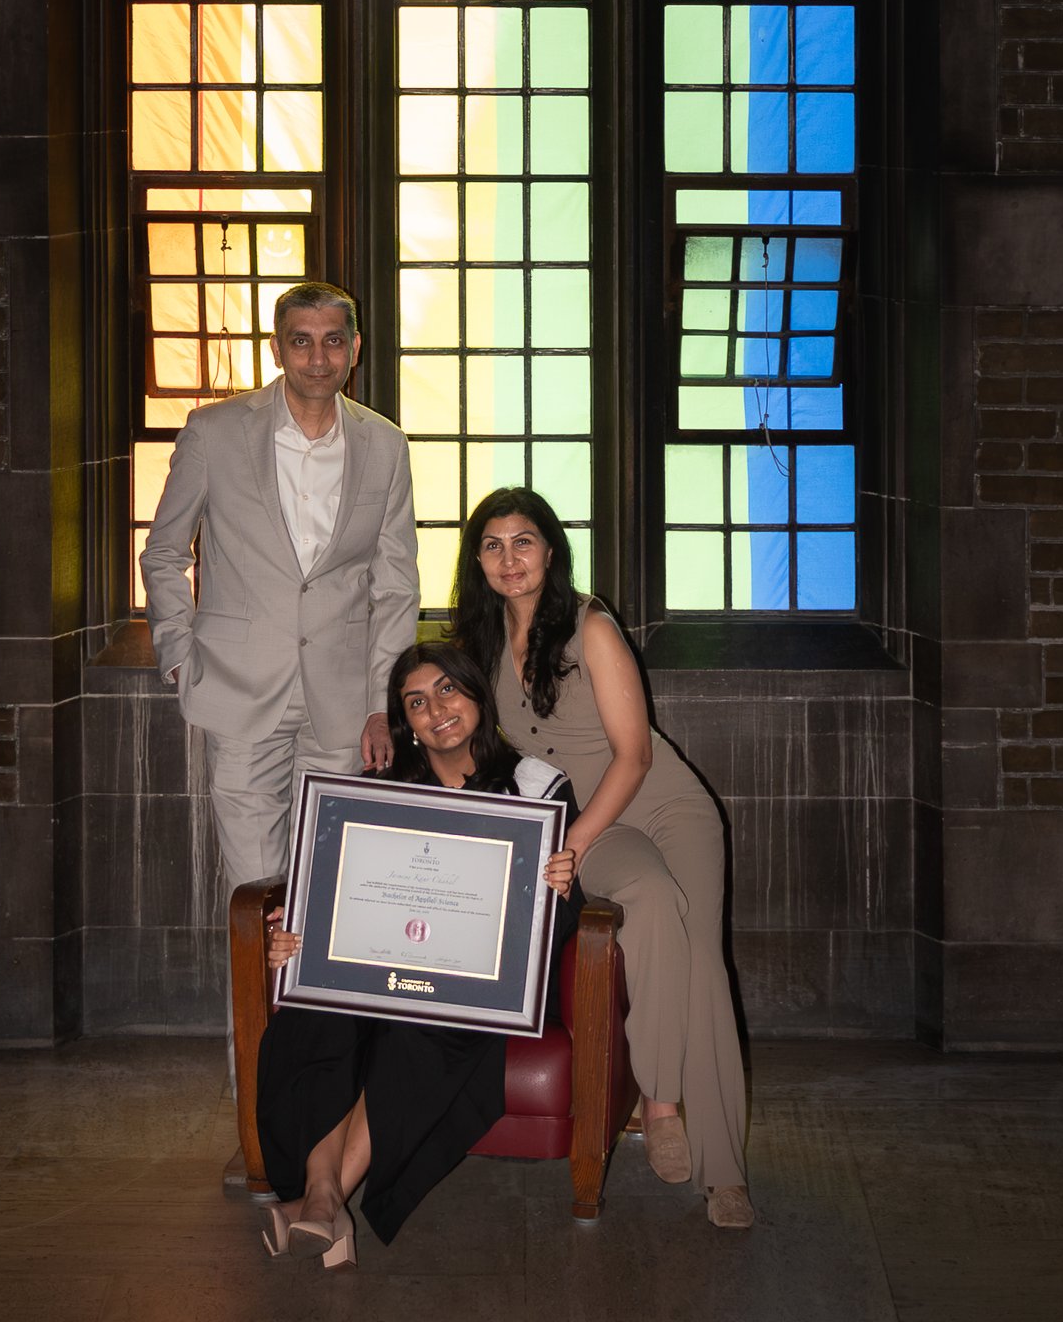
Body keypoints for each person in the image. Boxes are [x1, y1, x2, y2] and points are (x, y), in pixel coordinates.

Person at [457, 488, 754, 1230]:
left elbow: (636, 753)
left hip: (660, 803)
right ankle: (657, 1096)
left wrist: (573, 844)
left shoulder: (589, 625)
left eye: (523, 542)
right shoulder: (479, 642)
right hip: (591, 821)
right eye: (492, 546)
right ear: (478, 562)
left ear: (550, 551)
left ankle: (719, 1166)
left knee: (701, 960)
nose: (509, 559)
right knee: (649, 902)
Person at [254, 641, 576, 1265]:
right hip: (379, 967)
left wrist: (558, 880)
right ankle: (323, 1203)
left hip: (470, 990)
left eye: (448, 690)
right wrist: (297, 930)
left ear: (477, 693)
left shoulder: (537, 787)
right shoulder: (383, 788)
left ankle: (319, 1204)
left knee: (419, 1027)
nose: (437, 710)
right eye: (417, 702)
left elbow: (554, 917)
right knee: (319, 1010)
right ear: (406, 720)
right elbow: (337, 887)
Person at [140, 283, 421, 900]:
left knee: (333, 882)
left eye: (332, 342)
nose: (317, 359)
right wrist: (180, 655)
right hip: (238, 690)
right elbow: (164, 551)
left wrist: (383, 701)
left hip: (345, 706)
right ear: (277, 348)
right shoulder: (213, 433)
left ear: (355, 349)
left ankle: (313, 1001)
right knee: (256, 888)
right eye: (301, 342)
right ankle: (254, 999)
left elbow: (395, 585)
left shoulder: (385, 444)